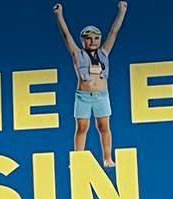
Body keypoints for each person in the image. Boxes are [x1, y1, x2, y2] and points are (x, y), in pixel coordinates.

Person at [52, 2, 129, 165]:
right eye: (88, 38)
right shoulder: (77, 54)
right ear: (82, 40)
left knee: (104, 127)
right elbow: (66, 35)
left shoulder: (104, 52)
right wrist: (59, 16)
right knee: (82, 127)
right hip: (83, 96)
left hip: (102, 96)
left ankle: (107, 157)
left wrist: (122, 12)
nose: (93, 41)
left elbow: (114, 32)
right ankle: (78, 159)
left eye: (96, 38)